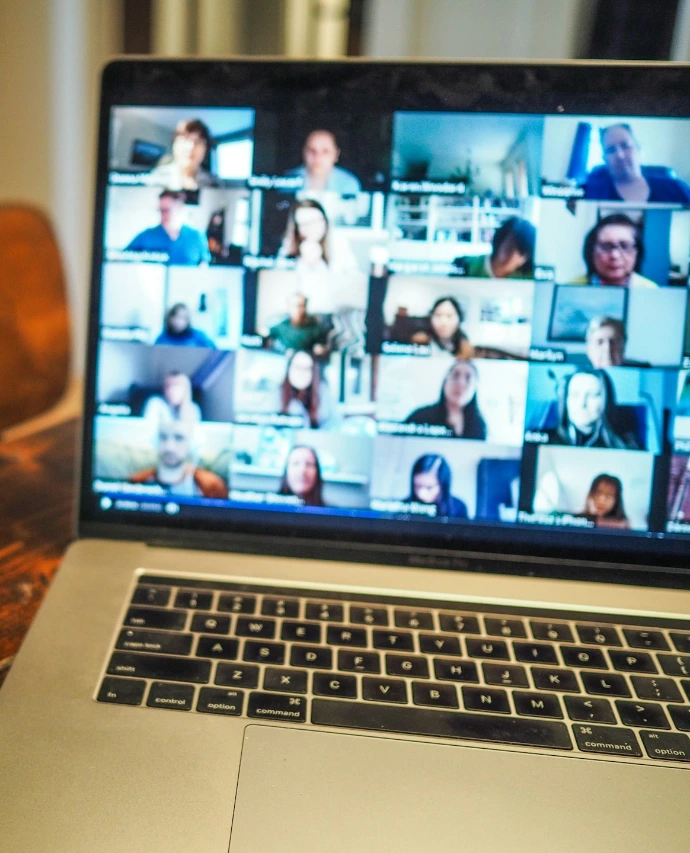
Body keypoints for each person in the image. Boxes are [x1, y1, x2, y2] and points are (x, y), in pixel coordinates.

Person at [582, 123, 690, 203]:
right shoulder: (591, 193)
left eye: (625, 146)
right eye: (611, 150)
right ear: (604, 158)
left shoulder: (675, 188)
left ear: (638, 149)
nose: (620, 155)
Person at [543, 368, 640, 449]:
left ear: (606, 400)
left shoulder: (625, 445)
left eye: (592, 395)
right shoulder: (543, 438)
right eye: (574, 395)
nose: (582, 404)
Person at [128, 420, 227, 498]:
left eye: (179, 438)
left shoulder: (212, 486)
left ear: (192, 444)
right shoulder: (138, 481)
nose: (169, 447)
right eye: (163, 437)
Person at [405, 360, 487, 439]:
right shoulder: (419, 417)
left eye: (468, 378)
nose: (461, 383)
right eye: (455, 375)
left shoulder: (479, 425)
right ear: (445, 381)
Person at [125, 190, 210, 265]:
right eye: (161, 210)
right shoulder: (146, 236)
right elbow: (123, 259)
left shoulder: (197, 236)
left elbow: (203, 267)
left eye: (167, 210)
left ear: (179, 208)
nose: (163, 215)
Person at [571, 213, 657, 288]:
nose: (614, 255)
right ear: (591, 251)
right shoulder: (571, 288)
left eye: (624, 246)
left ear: (637, 252)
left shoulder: (650, 290)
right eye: (606, 246)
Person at [279, 198, 358, 274]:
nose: (312, 228)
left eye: (316, 221)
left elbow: (354, 278)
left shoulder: (340, 243)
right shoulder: (288, 247)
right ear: (297, 228)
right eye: (305, 224)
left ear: (325, 221)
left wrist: (317, 263)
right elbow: (280, 278)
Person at [453, 216, 536, 279]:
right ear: (500, 241)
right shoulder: (467, 266)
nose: (512, 255)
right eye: (509, 246)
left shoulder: (528, 279)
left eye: (521, 252)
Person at [148, 119, 216, 191]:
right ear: (174, 144)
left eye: (197, 142)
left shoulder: (214, 183)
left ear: (206, 149)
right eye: (185, 139)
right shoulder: (154, 179)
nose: (191, 147)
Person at [285, 129, 361, 193]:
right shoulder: (287, 180)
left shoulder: (348, 183)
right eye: (312, 150)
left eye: (325, 151)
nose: (317, 157)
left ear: (336, 155)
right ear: (304, 152)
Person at [406, 454, 468, 519]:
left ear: (442, 485)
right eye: (417, 486)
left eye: (429, 487)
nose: (421, 493)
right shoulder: (404, 506)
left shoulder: (458, 507)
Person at [279, 350, 331, 428]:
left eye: (307, 368)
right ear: (289, 369)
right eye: (298, 367)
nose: (301, 373)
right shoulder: (277, 395)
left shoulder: (323, 394)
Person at [409, 296, 473, 358]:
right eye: (438, 315)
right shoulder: (420, 340)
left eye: (449, 316)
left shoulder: (465, 347)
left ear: (459, 318)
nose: (443, 322)